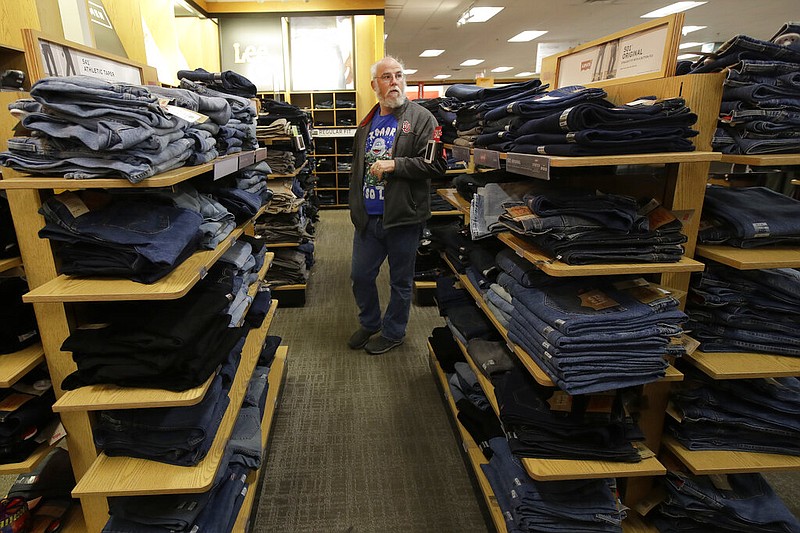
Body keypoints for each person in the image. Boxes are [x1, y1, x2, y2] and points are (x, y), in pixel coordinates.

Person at [347, 56, 445, 354]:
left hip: (404, 217)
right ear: (374, 84)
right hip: (368, 217)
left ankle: (394, 332)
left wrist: (395, 165)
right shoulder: (367, 122)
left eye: (399, 75)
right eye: (387, 77)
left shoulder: (422, 119)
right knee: (360, 276)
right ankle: (370, 322)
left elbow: (436, 164)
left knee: (400, 282)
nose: (394, 82)